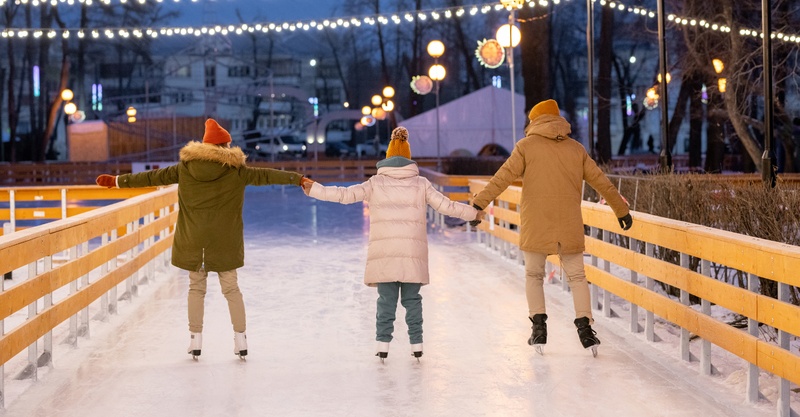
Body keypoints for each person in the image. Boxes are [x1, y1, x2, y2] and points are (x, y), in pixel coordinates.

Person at [95, 118, 306, 359]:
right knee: (232, 289)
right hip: (225, 241)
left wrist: (117, 181)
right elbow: (268, 176)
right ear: (226, 145)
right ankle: (241, 340)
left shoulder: (184, 169)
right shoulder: (237, 171)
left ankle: (195, 340)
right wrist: (297, 179)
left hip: (193, 240)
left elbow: (152, 178)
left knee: (196, 289)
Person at [301, 126, 484, 362]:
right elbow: (447, 206)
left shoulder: (375, 183)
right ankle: (416, 343)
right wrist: (473, 214)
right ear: (408, 158)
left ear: (387, 158)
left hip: (385, 253)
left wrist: (315, 189)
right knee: (412, 300)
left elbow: (344, 195)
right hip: (411, 254)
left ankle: (382, 344)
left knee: (386, 300)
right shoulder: (421, 184)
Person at [470, 99, 632, 356]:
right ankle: (585, 327)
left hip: (536, 224)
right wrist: (621, 211)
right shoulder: (576, 149)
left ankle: (538, 327)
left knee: (534, 276)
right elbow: (601, 182)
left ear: (534, 121)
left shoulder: (526, 147)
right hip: (569, 224)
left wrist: (478, 204)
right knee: (577, 277)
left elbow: (502, 178)